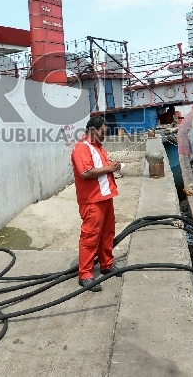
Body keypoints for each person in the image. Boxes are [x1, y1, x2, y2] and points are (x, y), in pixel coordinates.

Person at [70, 115, 122, 292]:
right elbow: (85, 172)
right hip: (92, 201)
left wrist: (113, 166)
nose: (105, 135)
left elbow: (101, 168)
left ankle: (106, 264)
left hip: (105, 198)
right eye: (103, 131)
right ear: (93, 130)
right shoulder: (81, 148)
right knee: (90, 237)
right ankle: (85, 274)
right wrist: (109, 168)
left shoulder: (98, 147)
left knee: (107, 233)